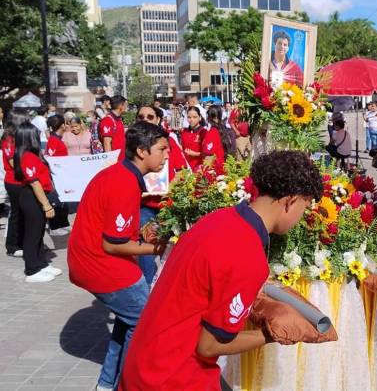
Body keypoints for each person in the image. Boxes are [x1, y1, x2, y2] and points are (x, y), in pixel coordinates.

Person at [120, 150, 323, 390]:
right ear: (291, 201)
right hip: (172, 376)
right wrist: (273, 334)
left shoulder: (220, 218)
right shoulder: (247, 253)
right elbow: (208, 346)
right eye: (305, 206)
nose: (302, 216)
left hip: (145, 361)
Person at [67, 122, 170, 391]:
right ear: (141, 151)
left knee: (131, 320)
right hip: (100, 264)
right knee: (145, 323)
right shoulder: (123, 182)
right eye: (162, 149)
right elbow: (114, 245)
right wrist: (159, 249)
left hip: (92, 261)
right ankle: (125, 384)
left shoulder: (121, 175)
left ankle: (107, 383)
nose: (167, 155)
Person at [136, 105, 187, 285]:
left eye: (150, 117)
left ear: (157, 119)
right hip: (145, 207)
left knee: (172, 247)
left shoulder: (169, 142)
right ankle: (148, 286)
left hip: (168, 206)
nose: (145, 119)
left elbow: (181, 170)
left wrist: (174, 187)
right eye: (141, 116)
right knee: (147, 248)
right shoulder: (131, 145)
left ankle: (171, 284)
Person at [13, 123, 63, 283]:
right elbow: (35, 183)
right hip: (32, 197)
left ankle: (41, 263)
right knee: (32, 235)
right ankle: (32, 269)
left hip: (39, 196)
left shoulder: (33, 154)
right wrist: (46, 205)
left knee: (39, 233)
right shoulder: (26, 156)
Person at [2, 110, 29, 257]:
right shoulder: (8, 139)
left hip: (22, 180)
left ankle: (23, 243)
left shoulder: (19, 137)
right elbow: (13, 163)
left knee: (24, 213)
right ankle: (12, 246)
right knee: (17, 214)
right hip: (15, 181)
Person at [202, 105, 232, 174]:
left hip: (215, 171)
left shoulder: (212, 132)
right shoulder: (223, 130)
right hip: (224, 168)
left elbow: (209, 157)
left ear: (209, 117)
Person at [100, 96, 128, 161]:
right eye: (125, 105)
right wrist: (110, 161)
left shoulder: (119, 119)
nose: (126, 107)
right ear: (121, 106)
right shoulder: (108, 120)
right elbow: (107, 143)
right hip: (114, 160)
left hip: (122, 158)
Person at [181, 106, 206, 172]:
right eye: (189, 117)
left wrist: (195, 154)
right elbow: (182, 148)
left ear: (200, 117)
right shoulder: (184, 132)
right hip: (186, 168)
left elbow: (209, 154)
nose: (191, 119)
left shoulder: (204, 132)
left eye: (194, 117)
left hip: (201, 167)